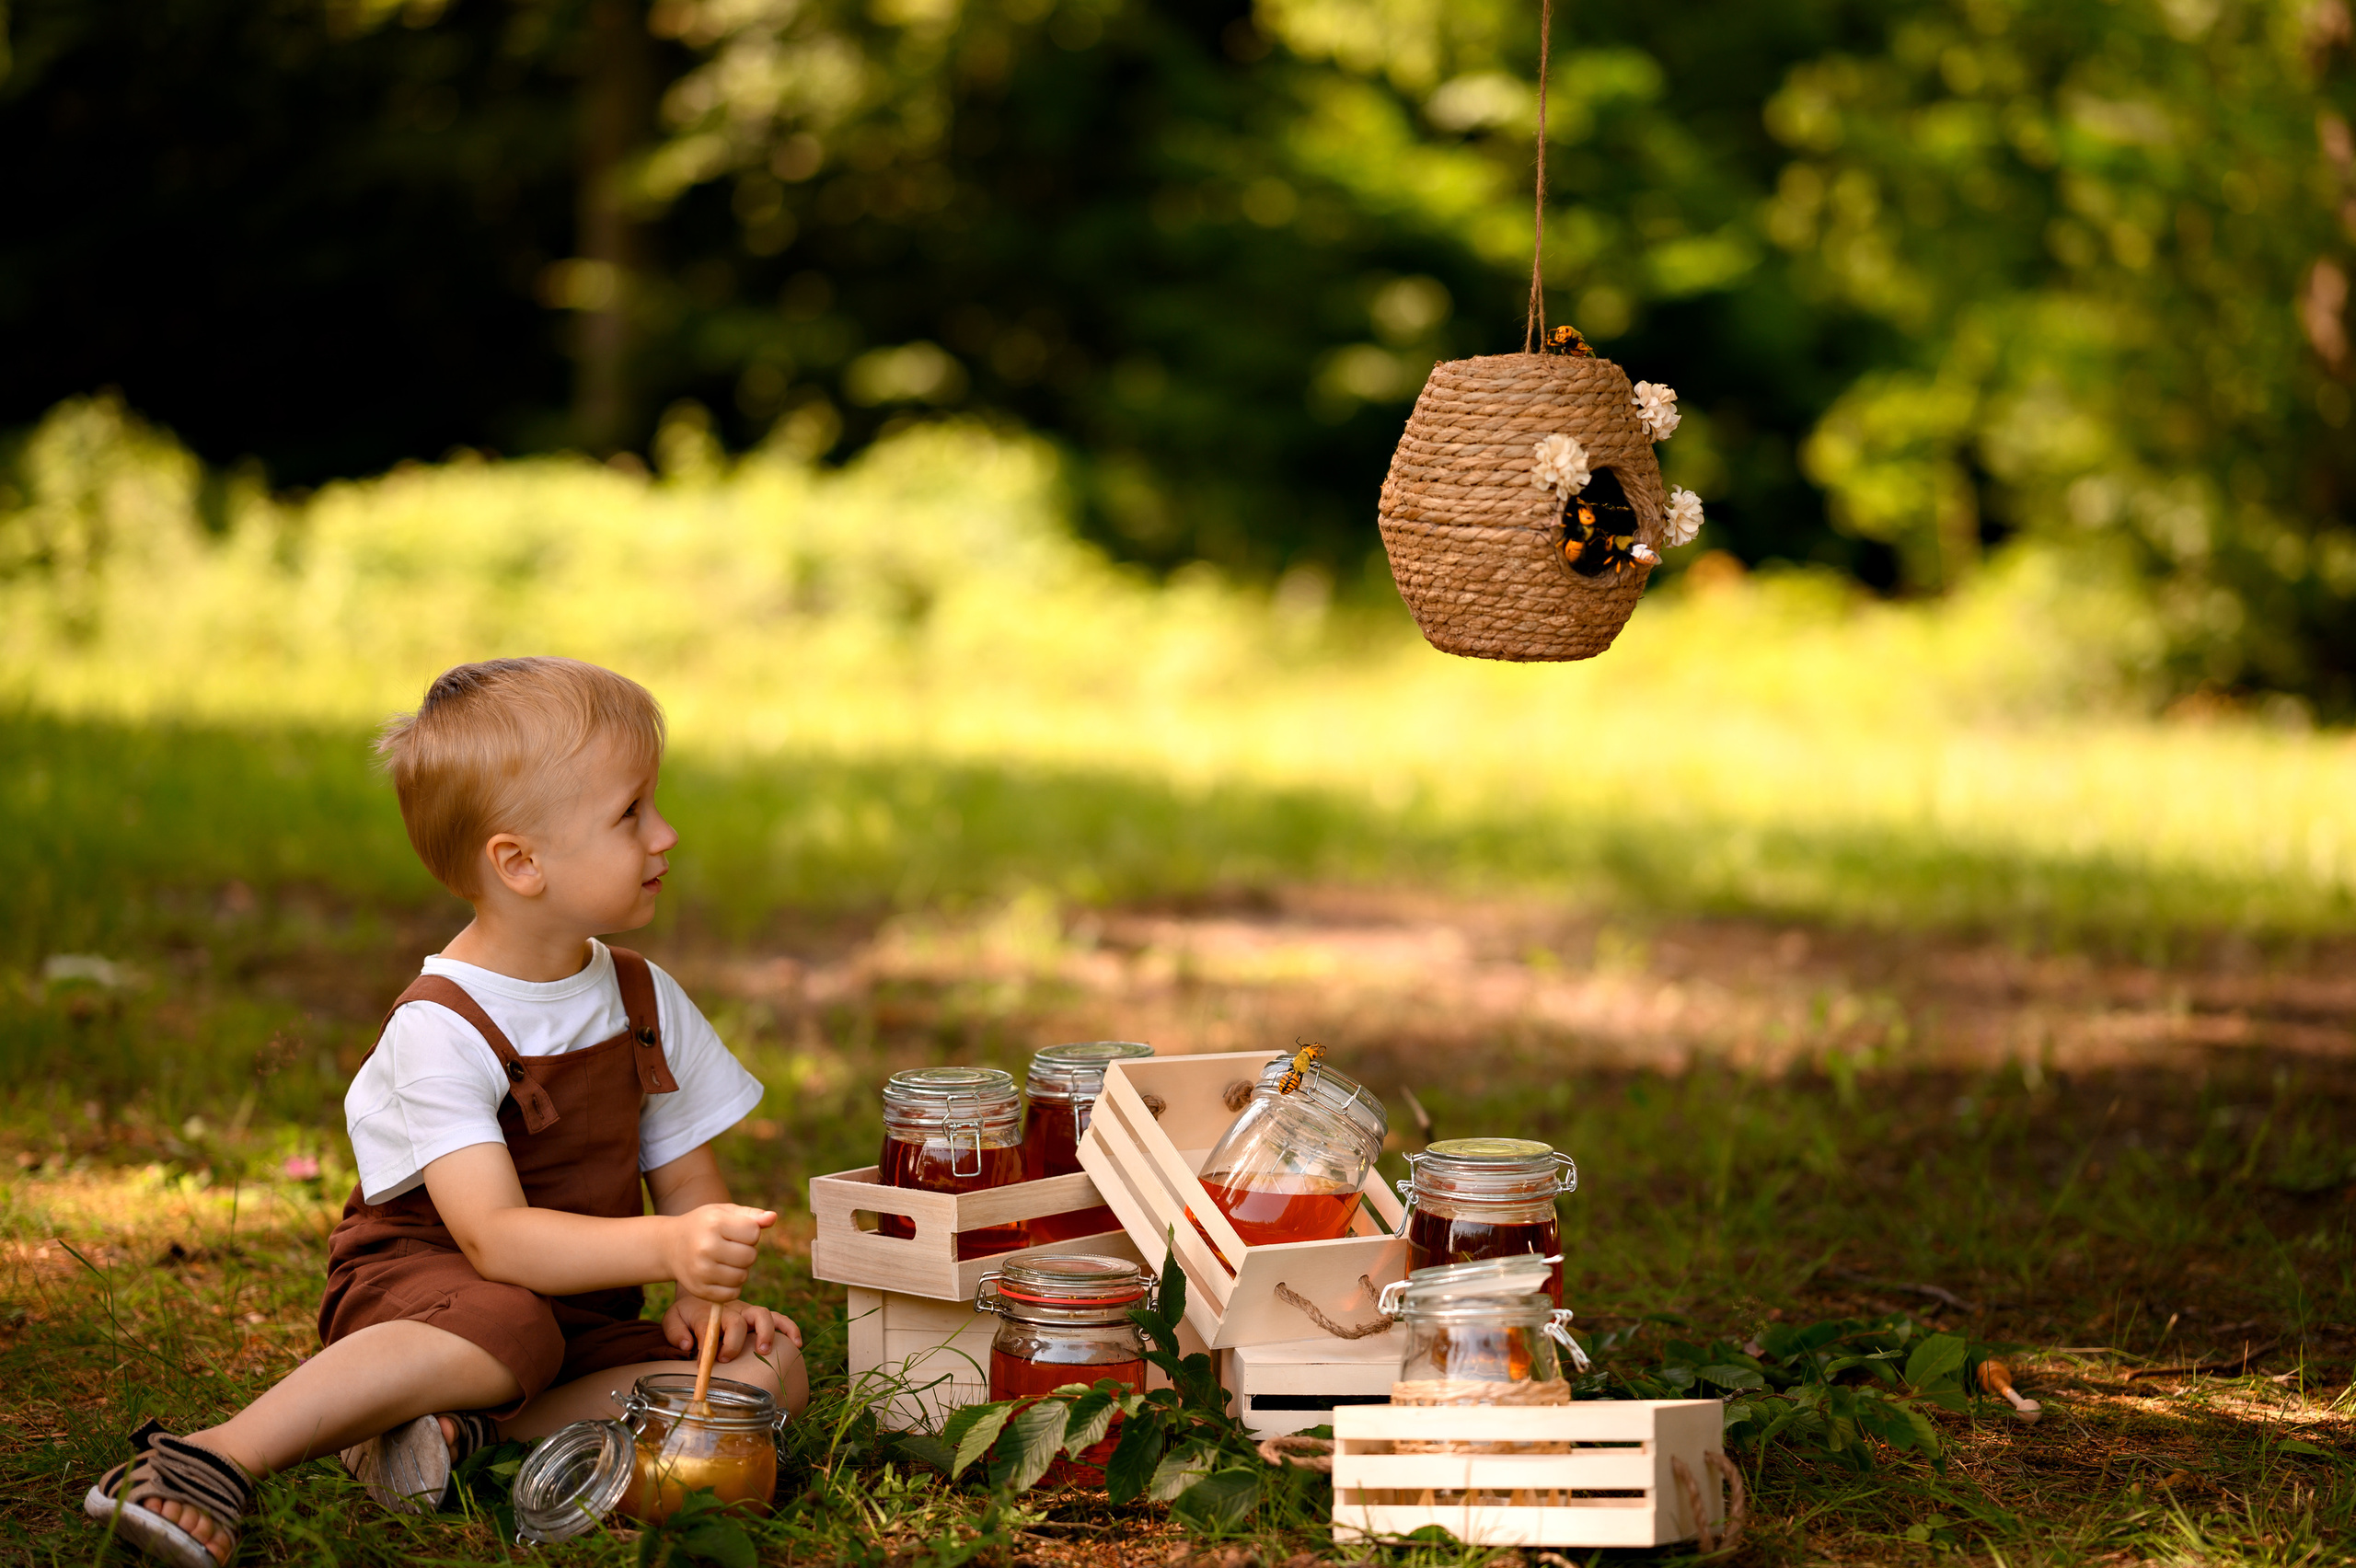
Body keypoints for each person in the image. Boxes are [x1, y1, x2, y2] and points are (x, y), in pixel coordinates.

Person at [86, 657, 805, 1567]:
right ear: (520, 862)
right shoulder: (441, 1027)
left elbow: (689, 1182)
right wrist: (665, 1249)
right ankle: (212, 1456)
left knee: (768, 1373)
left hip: (573, 1315)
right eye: (630, 813)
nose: (664, 834)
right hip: (429, 1295)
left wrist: (705, 1295)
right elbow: (495, 1242)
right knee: (510, 1326)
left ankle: (453, 1436)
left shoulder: (642, 997)